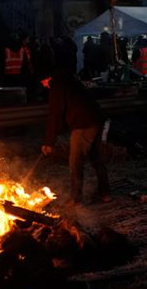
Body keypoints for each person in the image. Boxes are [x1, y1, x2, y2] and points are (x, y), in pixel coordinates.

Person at [40, 69, 109, 205]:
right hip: (96, 118)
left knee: (75, 161)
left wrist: (48, 142)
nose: (44, 86)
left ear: (46, 79)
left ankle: (75, 199)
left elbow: (55, 113)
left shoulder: (56, 85)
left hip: (84, 123)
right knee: (96, 157)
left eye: (43, 83)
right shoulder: (68, 80)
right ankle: (105, 193)